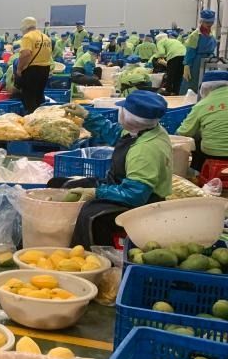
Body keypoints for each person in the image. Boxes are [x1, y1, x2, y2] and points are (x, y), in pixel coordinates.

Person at [57, 91, 172, 247]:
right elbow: (115, 133)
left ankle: (95, 257)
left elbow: (135, 195)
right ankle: (61, 237)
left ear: (130, 118)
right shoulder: (144, 130)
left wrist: (96, 192)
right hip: (119, 186)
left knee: (91, 214)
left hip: (142, 204)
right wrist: (87, 115)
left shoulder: (144, 151)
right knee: (61, 184)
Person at [176, 70, 228, 172]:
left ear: (205, 88)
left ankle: (198, 172)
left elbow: (184, 132)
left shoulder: (202, 105)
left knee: (197, 139)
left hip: (214, 152)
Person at [15, 16, 52, 114]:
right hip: (45, 69)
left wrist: (19, 69)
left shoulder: (28, 37)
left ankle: (32, 121)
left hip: (32, 71)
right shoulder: (46, 37)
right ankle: (40, 117)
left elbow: (26, 53)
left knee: (29, 98)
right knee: (39, 96)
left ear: (25, 27)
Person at [183, 9, 218, 94]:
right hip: (196, 62)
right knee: (194, 84)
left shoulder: (211, 34)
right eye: (207, 23)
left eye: (211, 22)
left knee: (208, 84)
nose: (209, 25)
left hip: (209, 62)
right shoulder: (195, 35)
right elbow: (190, 51)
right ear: (201, 22)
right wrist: (187, 65)